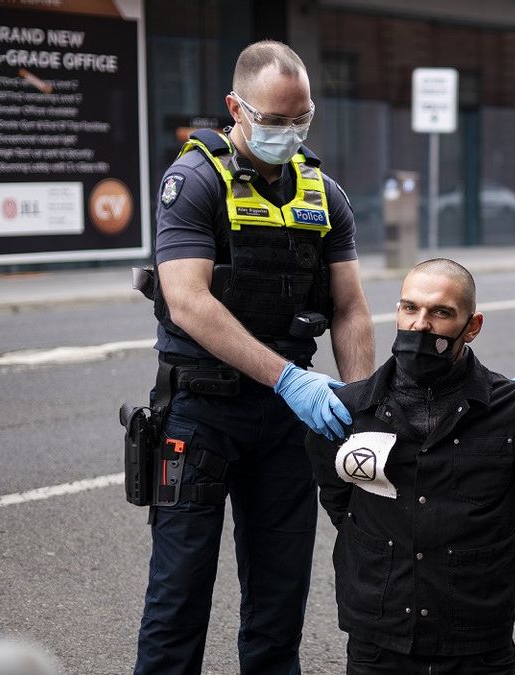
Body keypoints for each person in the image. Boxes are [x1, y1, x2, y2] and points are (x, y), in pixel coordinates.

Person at [134, 40, 374, 674]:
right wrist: (288, 376)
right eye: (273, 121)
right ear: (235, 109)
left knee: (279, 601)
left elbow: (350, 308)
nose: (289, 133)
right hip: (199, 414)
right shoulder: (192, 182)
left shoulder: (325, 194)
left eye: (302, 119)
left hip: (286, 425)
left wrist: (365, 405)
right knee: (178, 596)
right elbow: (187, 301)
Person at [306, 258, 515, 675]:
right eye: (410, 308)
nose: (420, 325)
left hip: (478, 642)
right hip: (379, 639)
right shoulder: (351, 409)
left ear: (472, 326)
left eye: (440, 312)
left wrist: (477, 565)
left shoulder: (513, 408)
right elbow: (339, 501)